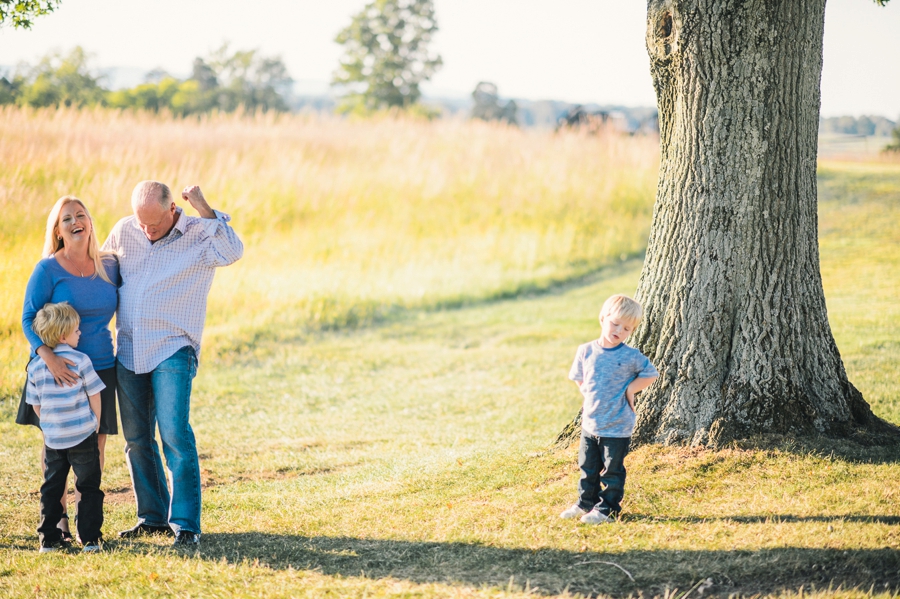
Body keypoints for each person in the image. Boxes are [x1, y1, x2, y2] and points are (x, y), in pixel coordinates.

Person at [103, 180, 243, 546]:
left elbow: (233, 250)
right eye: (141, 223)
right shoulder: (124, 230)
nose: (147, 230)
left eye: (154, 223)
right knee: (136, 440)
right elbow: (101, 273)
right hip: (130, 348)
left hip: (172, 348)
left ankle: (185, 524)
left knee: (175, 436)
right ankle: (151, 517)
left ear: (172, 209)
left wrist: (203, 206)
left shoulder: (200, 232)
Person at [19, 196, 119, 543]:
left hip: (101, 368)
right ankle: (56, 521)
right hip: (55, 370)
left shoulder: (109, 265)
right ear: (58, 231)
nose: (76, 222)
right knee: (56, 449)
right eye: (67, 219)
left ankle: (86, 523)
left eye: (80, 215)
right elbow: (28, 319)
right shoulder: (48, 269)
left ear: (90, 221)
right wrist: (49, 357)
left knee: (96, 447)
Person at [560, 294, 659, 524]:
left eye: (626, 328)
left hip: (617, 426)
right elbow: (578, 376)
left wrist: (630, 390)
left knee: (612, 471)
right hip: (591, 424)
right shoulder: (586, 351)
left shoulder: (630, 356)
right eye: (615, 324)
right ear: (603, 318)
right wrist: (587, 393)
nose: (619, 331)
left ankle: (608, 509)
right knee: (588, 467)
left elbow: (651, 374)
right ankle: (586, 503)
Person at [25, 302, 105, 553]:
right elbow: (94, 394)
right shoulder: (81, 360)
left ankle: (48, 540)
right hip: (82, 435)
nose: (80, 333)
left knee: (52, 487)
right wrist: (95, 422)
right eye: (77, 330)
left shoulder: (36, 367)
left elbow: (35, 405)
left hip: (54, 439)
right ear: (63, 335)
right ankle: (90, 539)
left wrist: (49, 425)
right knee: (88, 486)